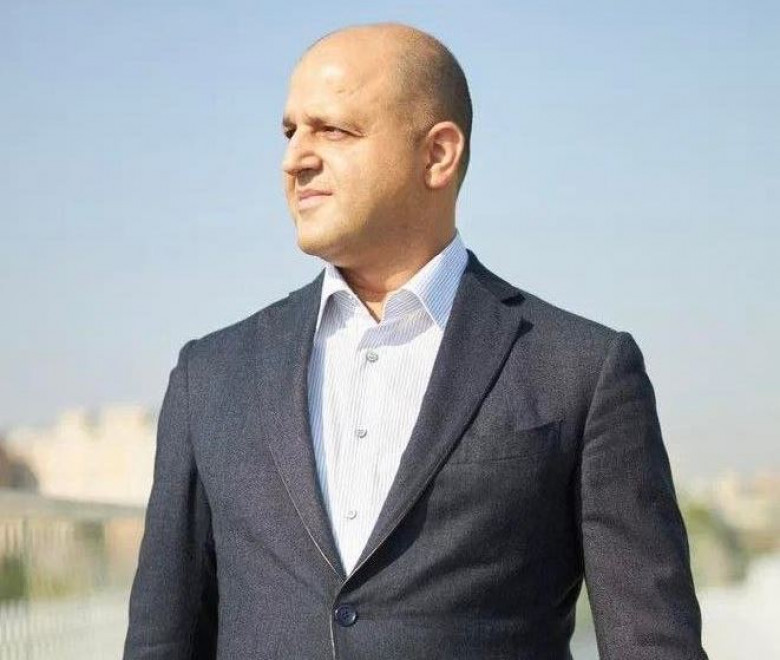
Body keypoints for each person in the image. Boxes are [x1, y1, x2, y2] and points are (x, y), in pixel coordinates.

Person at [124, 23, 708, 660]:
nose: (295, 159)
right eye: (291, 132)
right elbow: (161, 640)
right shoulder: (211, 376)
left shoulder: (582, 371)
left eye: (333, 130)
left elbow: (654, 644)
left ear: (437, 155)